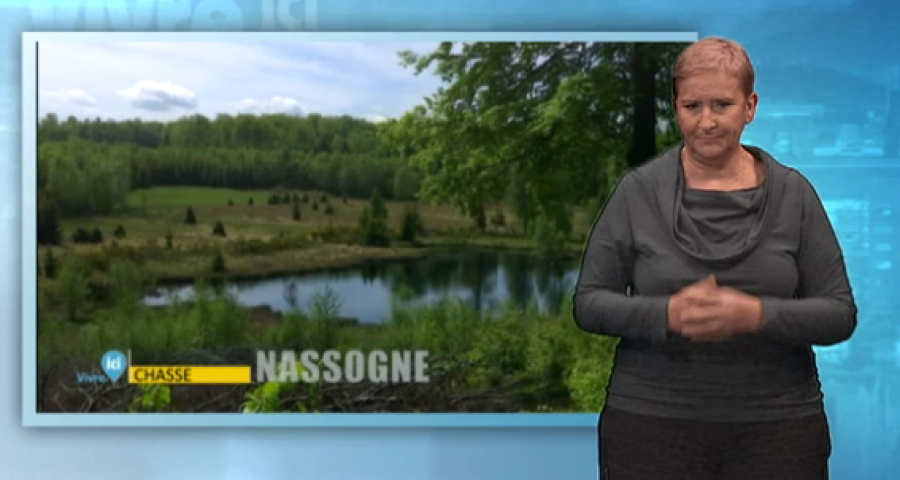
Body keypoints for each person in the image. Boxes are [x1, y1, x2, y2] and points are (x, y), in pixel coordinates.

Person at [572, 37, 857, 480]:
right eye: (692, 106)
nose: (706, 122)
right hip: (650, 428)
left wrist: (756, 315)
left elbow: (839, 313)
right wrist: (668, 314)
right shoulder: (637, 192)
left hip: (779, 429)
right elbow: (589, 303)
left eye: (722, 105)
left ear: (750, 107)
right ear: (676, 108)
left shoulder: (794, 195)